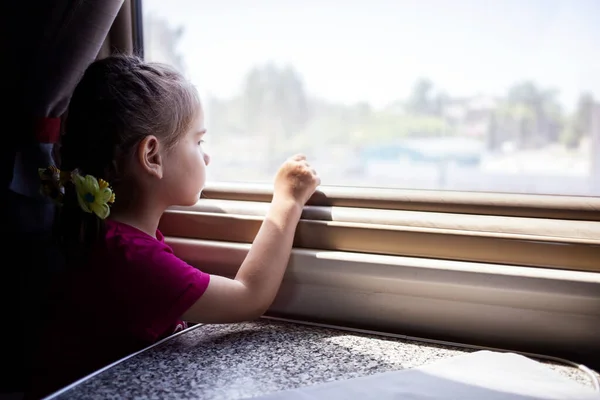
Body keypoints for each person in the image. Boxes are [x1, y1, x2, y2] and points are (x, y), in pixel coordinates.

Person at [27, 54, 320, 398]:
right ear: (151, 156)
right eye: (198, 142)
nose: (206, 156)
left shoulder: (104, 236)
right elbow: (249, 297)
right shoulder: (129, 257)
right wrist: (288, 200)